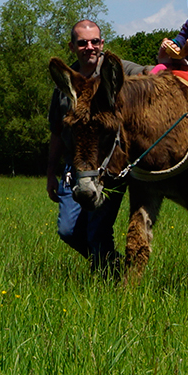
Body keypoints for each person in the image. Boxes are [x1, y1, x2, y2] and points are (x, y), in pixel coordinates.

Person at [48, 19, 147, 266]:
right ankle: (111, 263)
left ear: (102, 44)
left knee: (97, 231)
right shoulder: (65, 84)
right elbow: (57, 132)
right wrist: (51, 173)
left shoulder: (117, 71)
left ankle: (107, 279)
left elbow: (149, 74)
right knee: (68, 231)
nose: (89, 47)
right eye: (82, 43)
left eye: (94, 42)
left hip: (108, 167)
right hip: (76, 166)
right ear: (72, 47)